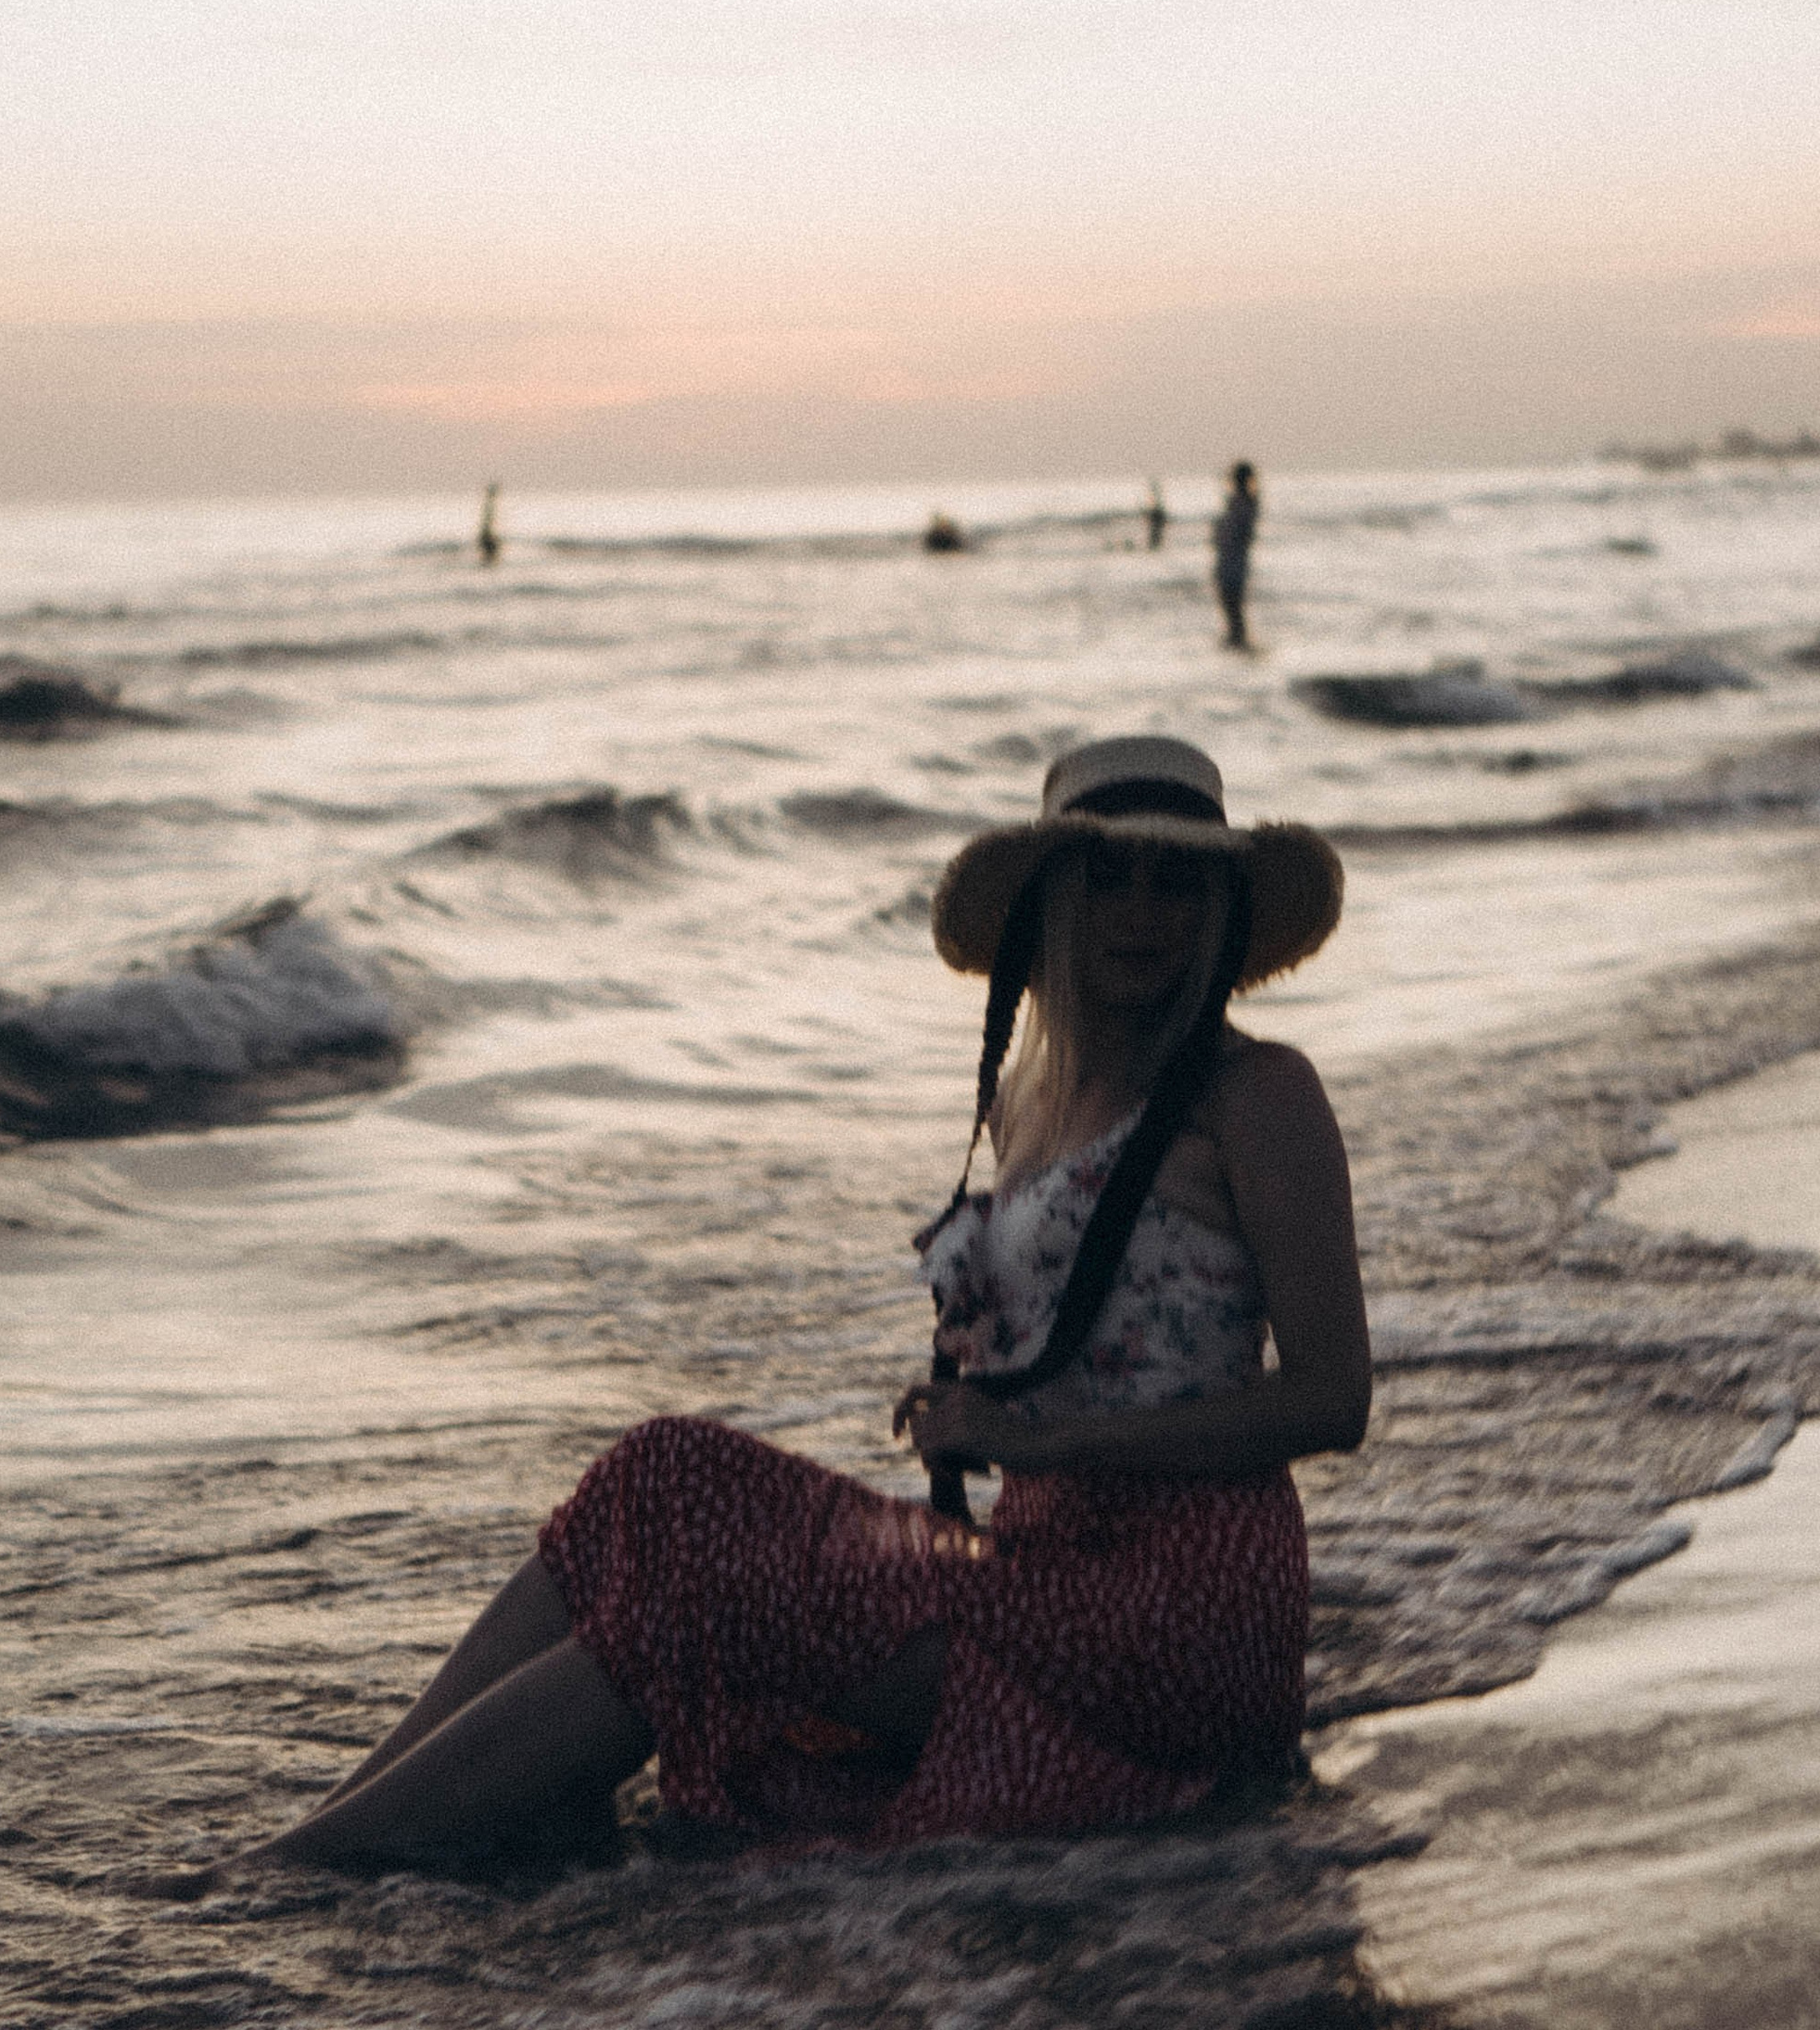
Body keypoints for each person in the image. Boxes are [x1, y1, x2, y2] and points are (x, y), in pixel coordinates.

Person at [245, 738, 1368, 1873]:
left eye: (1175, 880)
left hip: (1178, 1615)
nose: (1140, 913)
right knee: (656, 1472)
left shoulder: (1258, 1092)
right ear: (1054, 904)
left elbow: (1333, 1398)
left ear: (1221, 907)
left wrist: (1046, 1437)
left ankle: (316, 1872)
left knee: (694, 1605)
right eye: (1106, 877)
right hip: (1036, 1573)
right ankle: (346, 1819)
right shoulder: (1035, 1100)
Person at [1214, 460, 1260, 649]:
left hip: (1233, 563)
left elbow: (1241, 534)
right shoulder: (1244, 502)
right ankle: (1237, 641)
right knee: (1232, 606)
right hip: (1232, 561)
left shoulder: (1243, 504)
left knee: (1232, 606)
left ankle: (1237, 642)